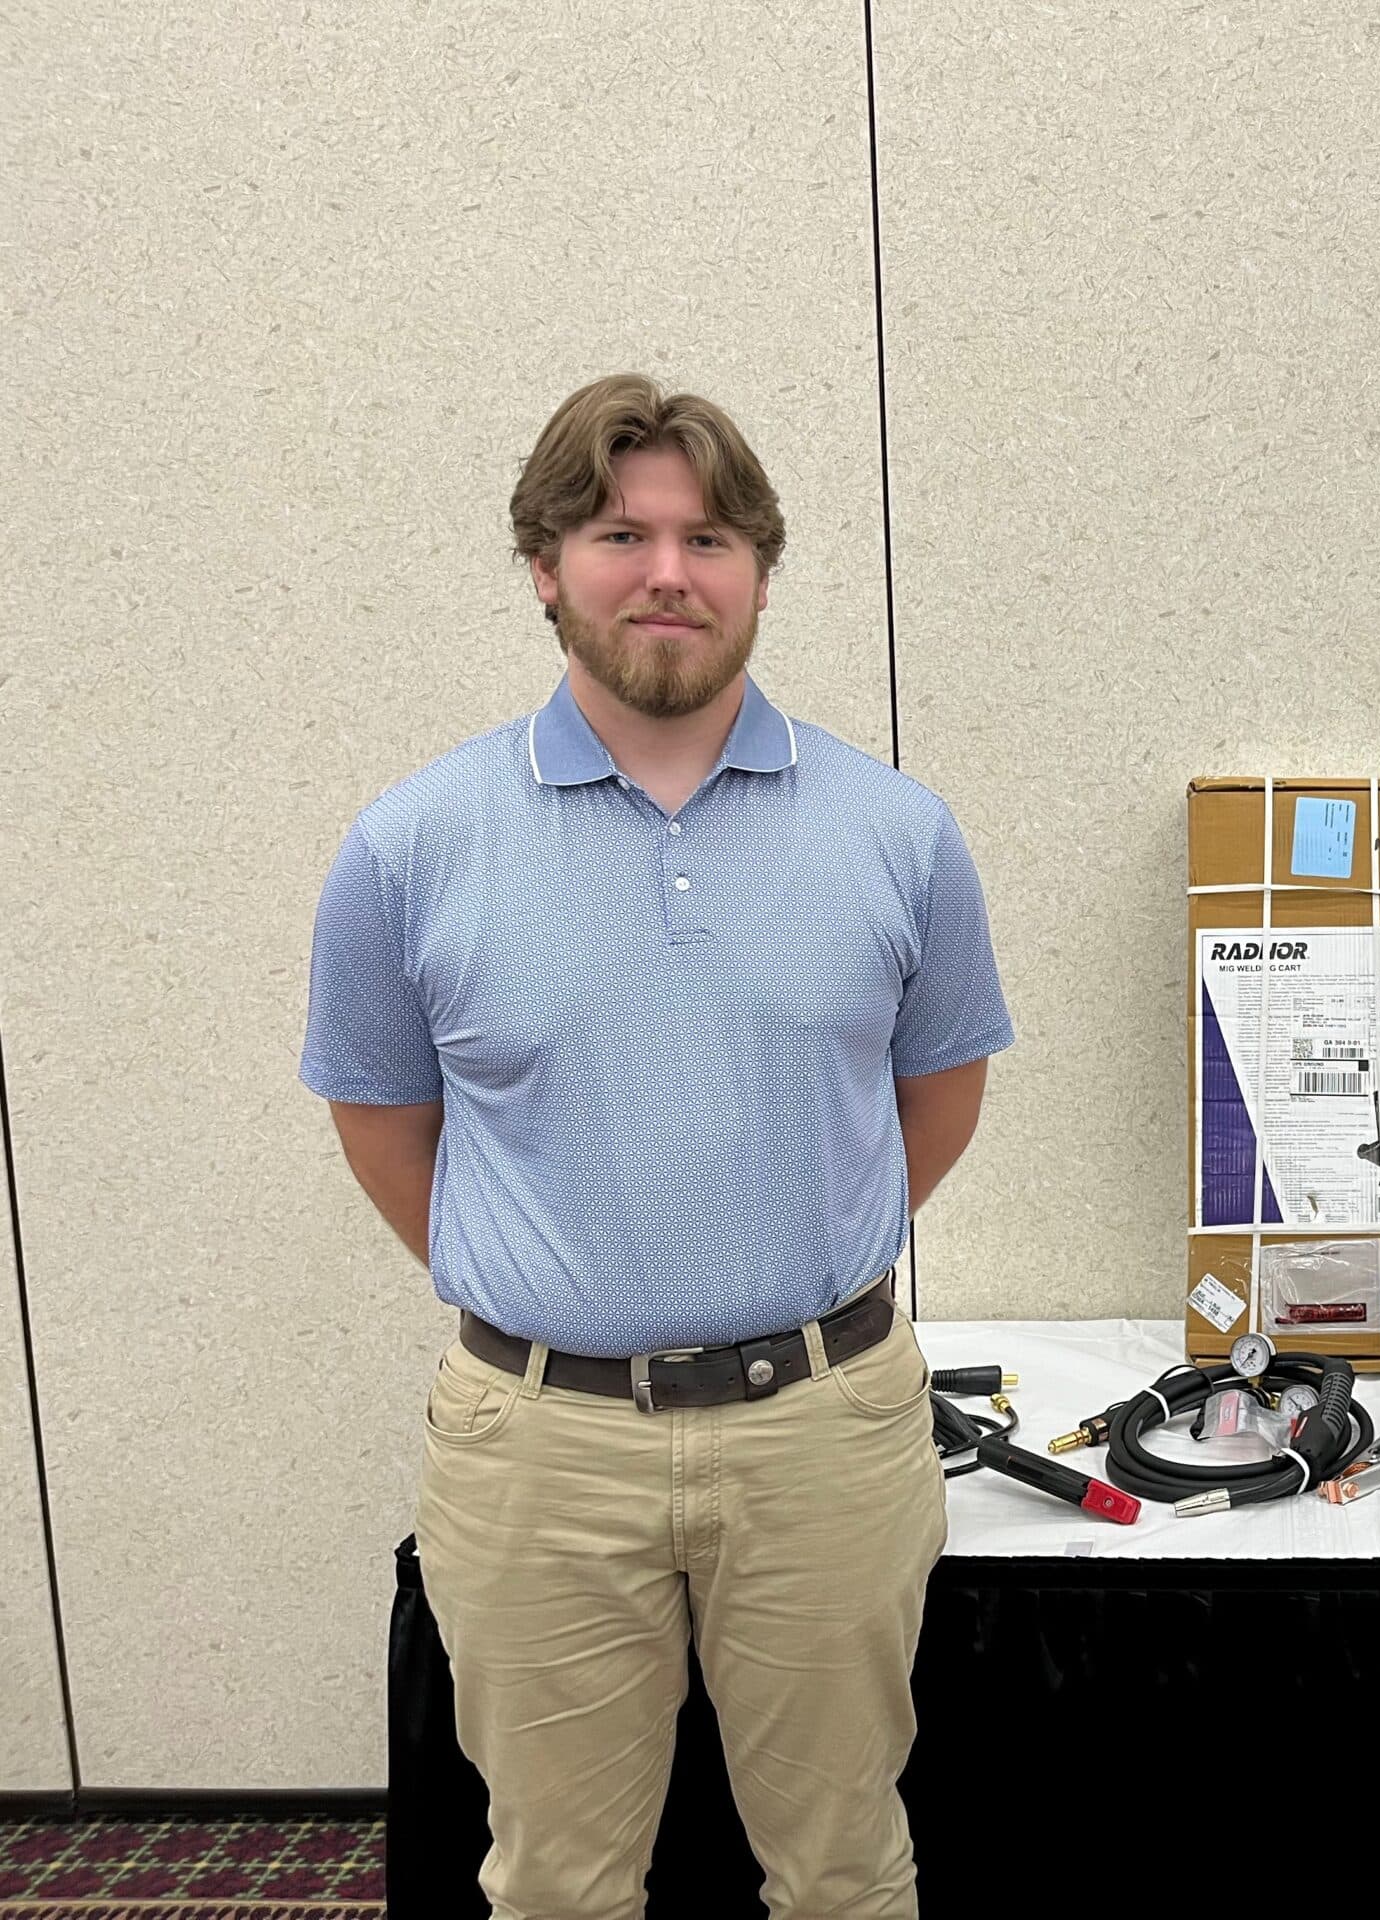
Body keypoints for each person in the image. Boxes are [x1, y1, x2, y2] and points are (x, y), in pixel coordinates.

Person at [298, 373, 1012, 1918]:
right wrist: (565, 1272)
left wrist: (790, 1238)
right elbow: (384, 1126)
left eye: (711, 537)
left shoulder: (897, 834)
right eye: (622, 531)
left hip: (828, 1434)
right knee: (556, 1885)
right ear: (545, 565)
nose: (670, 572)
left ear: (759, 569)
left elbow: (931, 1103)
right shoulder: (410, 848)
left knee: (845, 1874)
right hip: (540, 1449)